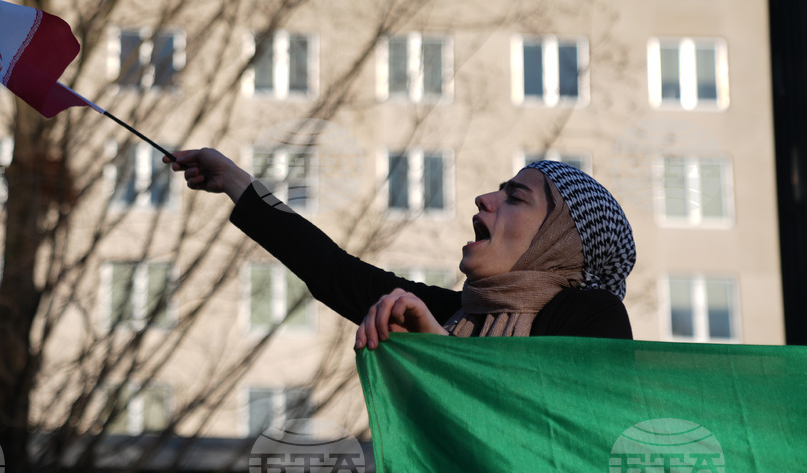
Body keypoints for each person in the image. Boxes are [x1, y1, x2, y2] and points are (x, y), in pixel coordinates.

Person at [165, 148, 635, 349]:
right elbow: (332, 270)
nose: (485, 200)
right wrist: (235, 181)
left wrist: (434, 347)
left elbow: (553, 424)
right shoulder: (452, 314)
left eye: (515, 198)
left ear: (558, 243)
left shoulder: (593, 317)